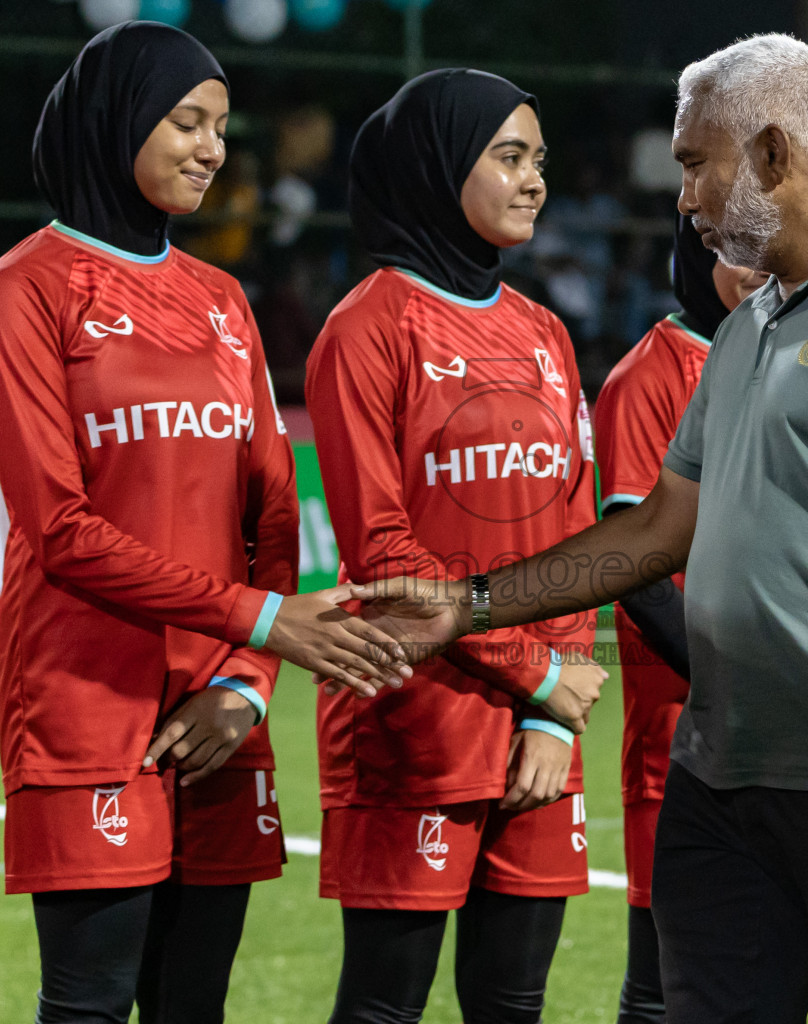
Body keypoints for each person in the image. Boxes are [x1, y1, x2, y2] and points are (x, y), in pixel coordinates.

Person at [356, 33, 808, 1023]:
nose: (685, 197)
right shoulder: (751, 324)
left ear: (774, 156)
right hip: (722, 779)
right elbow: (658, 530)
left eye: (697, 163)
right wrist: (467, 604)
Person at [0, 23, 409, 1024]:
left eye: (220, 127)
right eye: (187, 122)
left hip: (220, 705)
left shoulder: (222, 299)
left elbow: (272, 511)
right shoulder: (20, 290)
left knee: (191, 1004)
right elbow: (59, 527)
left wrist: (246, 686)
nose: (213, 149)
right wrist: (263, 625)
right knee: (88, 1002)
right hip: (85, 699)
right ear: (116, 122)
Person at [305, 68, 607, 1024]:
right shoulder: (365, 329)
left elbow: (579, 535)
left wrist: (556, 714)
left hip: (541, 728)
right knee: (383, 1008)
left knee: (512, 1003)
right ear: (437, 168)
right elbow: (380, 550)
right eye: (508, 157)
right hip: (413, 720)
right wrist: (537, 674)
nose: (533, 181)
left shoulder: (547, 333)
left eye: (540, 161)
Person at [594, 212, 767, 1024]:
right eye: (734, 249)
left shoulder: (788, 357)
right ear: (696, 253)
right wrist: (736, 676)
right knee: (663, 990)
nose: (757, 266)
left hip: (784, 738)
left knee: (760, 981)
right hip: (683, 739)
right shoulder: (649, 376)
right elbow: (637, 572)